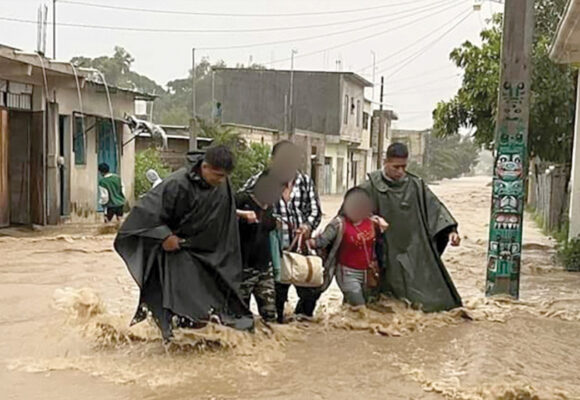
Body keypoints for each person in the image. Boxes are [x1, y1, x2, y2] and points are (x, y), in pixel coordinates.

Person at [114, 146, 253, 340]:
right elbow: (144, 215)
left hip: (211, 253)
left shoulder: (222, 184)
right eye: (218, 175)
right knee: (182, 306)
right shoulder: (176, 184)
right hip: (178, 253)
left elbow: (224, 218)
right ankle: (176, 344)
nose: (221, 181)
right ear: (204, 166)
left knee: (221, 302)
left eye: (224, 177)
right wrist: (164, 235)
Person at [360, 142, 462, 312]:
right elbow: (351, 216)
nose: (400, 172)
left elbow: (435, 209)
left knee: (423, 300)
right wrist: (372, 220)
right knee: (375, 299)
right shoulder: (369, 187)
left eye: (404, 167)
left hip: (411, 249)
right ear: (385, 162)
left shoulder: (416, 186)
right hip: (380, 251)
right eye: (396, 167)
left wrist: (450, 231)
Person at [242, 140, 323, 322]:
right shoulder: (258, 181)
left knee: (313, 289)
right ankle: (280, 323)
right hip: (272, 253)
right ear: (273, 161)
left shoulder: (305, 181)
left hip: (301, 250)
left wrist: (307, 226)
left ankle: (300, 323)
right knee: (276, 300)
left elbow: (316, 211)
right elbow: (242, 206)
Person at [309, 188, 388, 307]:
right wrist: (308, 241)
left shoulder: (373, 222)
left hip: (368, 273)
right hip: (347, 273)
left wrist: (382, 229)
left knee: (363, 308)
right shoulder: (338, 224)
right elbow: (321, 242)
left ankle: (342, 323)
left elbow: (380, 244)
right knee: (360, 308)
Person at [235, 173, 282, 322]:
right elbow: (221, 210)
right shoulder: (242, 199)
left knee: (270, 315)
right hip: (243, 269)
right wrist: (242, 214)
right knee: (241, 316)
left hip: (264, 267)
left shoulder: (271, 207)